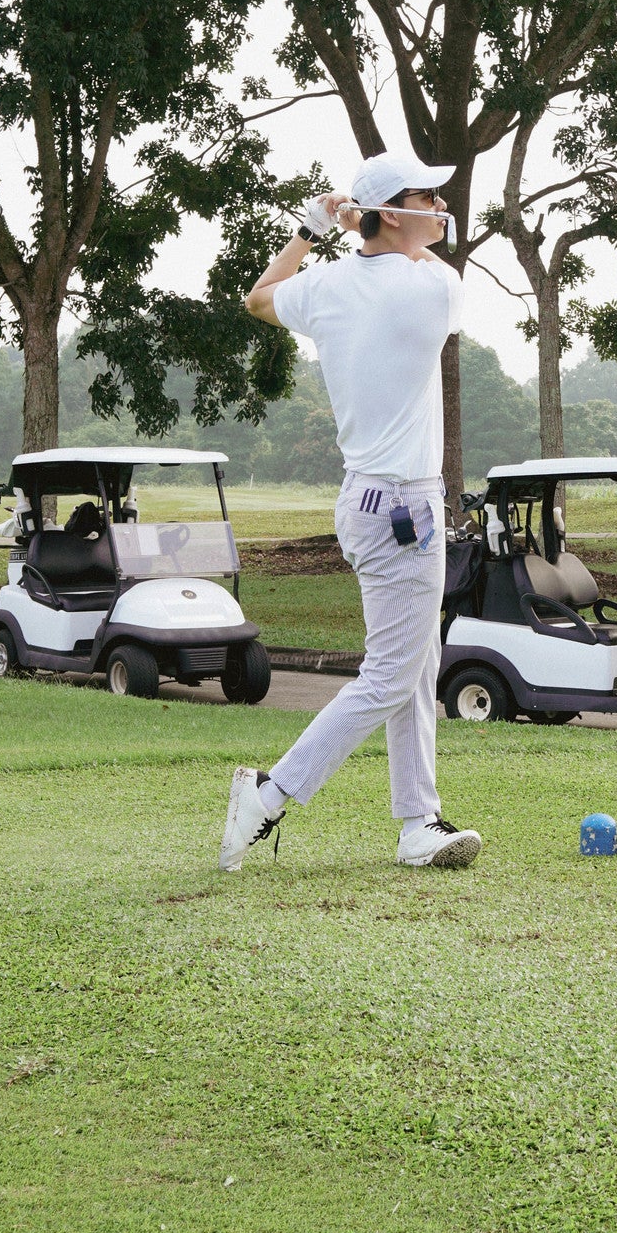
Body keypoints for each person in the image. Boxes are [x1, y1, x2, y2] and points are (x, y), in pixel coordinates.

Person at [219, 152, 483, 873]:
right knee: (392, 674)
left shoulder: (327, 284)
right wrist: (346, 222)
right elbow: (402, 269)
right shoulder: (433, 286)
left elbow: (259, 298)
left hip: (371, 502)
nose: (438, 204)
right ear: (392, 212)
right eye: (424, 195)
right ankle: (269, 794)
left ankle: (417, 824)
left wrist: (311, 229)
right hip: (401, 506)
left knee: (413, 664)